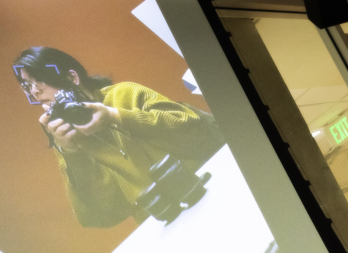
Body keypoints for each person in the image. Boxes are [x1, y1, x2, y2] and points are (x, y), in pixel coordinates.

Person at [14, 46, 224, 228]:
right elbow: (97, 216)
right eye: (27, 86)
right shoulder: (68, 138)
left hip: (211, 184)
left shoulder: (124, 93)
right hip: (166, 219)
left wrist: (116, 116)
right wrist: (71, 154)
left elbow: (198, 133)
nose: (35, 92)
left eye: (39, 80)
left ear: (71, 78)